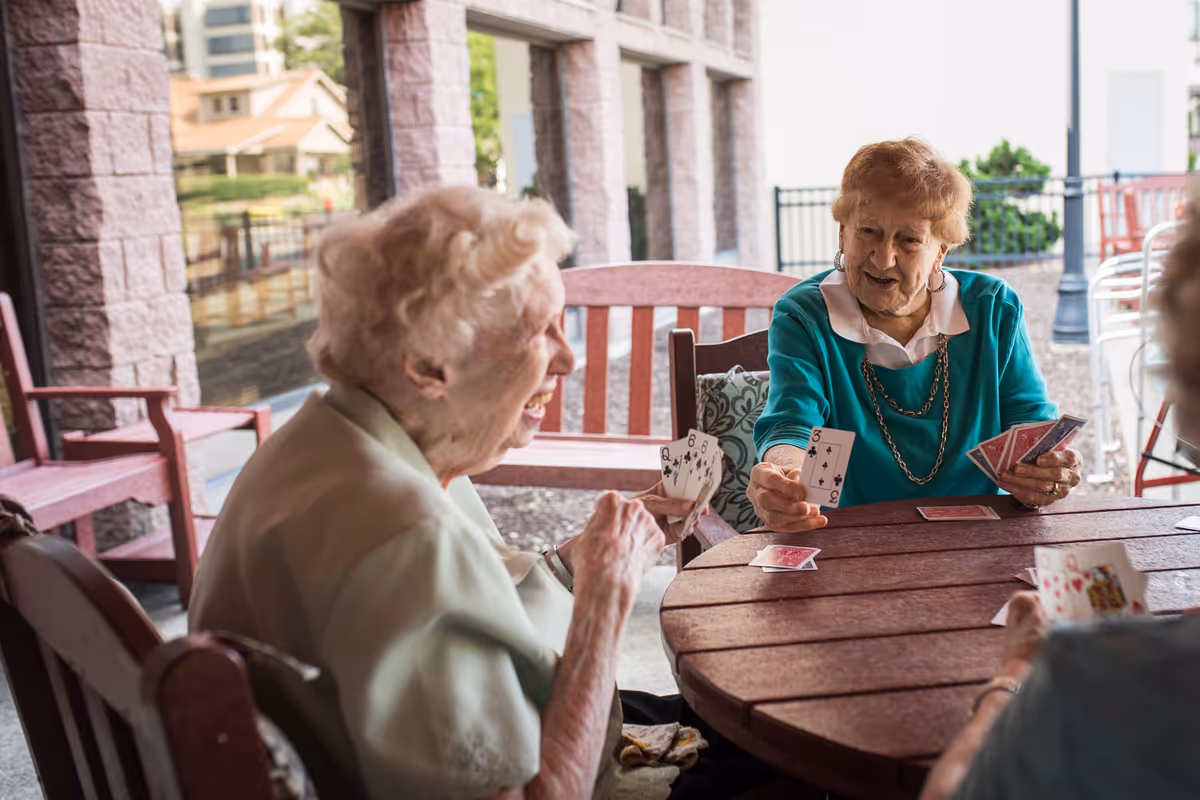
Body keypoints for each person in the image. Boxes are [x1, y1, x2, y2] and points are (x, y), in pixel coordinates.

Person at [188, 186, 782, 800]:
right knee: (784, 753)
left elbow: (467, 614)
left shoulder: (325, 442)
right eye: (538, 332)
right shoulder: (403, 538)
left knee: (750, 728)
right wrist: (605, 602)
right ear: (427, 365)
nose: (568, 360)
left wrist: (577, 561)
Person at [919, 196, 1200, 800]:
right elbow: (787, 425)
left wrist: (1016, 671)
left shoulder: (1114, 677)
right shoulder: (808, 312)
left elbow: (948, 793)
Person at [748, 138, 1083, 531]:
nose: (883, 257)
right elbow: (792, 424)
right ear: (842, 234)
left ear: (941, 251)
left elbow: (1029, 427)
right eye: (868, 231)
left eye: (909, 240)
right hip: (846, 538)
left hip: (976, 538)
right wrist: (787, 478)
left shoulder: (994, 309)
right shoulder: (804, 315)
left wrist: (1045, 473)